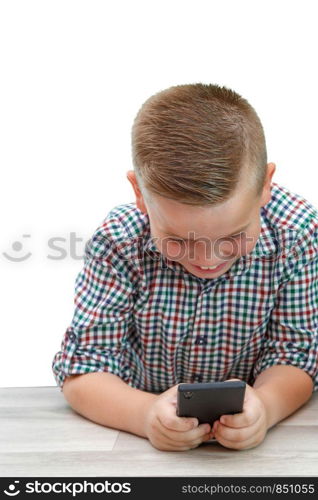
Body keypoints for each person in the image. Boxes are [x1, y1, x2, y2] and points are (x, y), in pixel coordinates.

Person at [52, 83, 318, 451]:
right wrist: (144, 415)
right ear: (140, 195)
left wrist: (266, 407)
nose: (208, 260)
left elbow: (296, 354)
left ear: (265, 187)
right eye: (180, 240)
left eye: (234, 236)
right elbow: (83, 370)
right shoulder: (118, 241)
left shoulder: (297, 233)